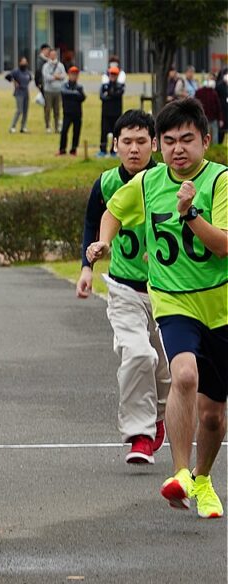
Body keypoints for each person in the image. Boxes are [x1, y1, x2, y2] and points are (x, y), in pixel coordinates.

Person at [88, 98, 227, 520]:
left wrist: (189, 215)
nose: (178, 149)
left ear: (206, 140)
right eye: (169, 141)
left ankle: (202, 479)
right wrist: (105, 241)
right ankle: (180, 473)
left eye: (187, 139)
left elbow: (222, 244)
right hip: (171, 297)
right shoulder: (147, 183)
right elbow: (113, 210)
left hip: (219, 304)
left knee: (215, 418)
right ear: (159, 146)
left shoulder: (220, 181)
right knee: (183, 373)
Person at [77, 110, 168, 464]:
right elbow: (90, 223)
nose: (134, 149)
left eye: (141, 142)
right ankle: (139, 435)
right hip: (124, 288)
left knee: (167, 369)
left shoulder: (167, 179)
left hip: (167, 290)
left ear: (154, 144)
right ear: (115, 145)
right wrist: (88, 264)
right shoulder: (105, 183)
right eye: (126, 142)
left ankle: (158, 417)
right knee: (138, 354)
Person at [97, 65, 125, 157]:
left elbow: (117, 94)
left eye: (114, 74)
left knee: (115, 132)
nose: (112, 76)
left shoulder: (120, 86)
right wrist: (110, 95)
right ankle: (103, 150)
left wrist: (109, 95)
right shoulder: (104, 85)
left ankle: (114, 150)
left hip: (116, 113)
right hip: (105, 113)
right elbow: (102, 96)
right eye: (111, 74)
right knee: (104, 132)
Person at [58, 66, 85, 156]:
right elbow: (64, 93)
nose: (74, 76)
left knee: (76, 131)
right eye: (72, 74)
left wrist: (73, 94)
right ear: (69, 75)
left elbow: (82, 97)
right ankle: (62, 149)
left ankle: (73, 149)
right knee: (64, 130)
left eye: (75, 75)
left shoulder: (79, 86)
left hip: (77, 112)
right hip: (67, 112)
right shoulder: (65, 85)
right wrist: (75, 93)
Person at [5, 57, 32, 134]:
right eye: (23, 62)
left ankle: (23, 127)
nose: (24, 63)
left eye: (25, 62)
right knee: (19, 110)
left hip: (26, 92)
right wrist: (14, 81)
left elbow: (30, 78)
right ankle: (12, 126)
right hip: (19, 93)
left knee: (25, 110)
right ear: (20, 63)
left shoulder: (27, 72)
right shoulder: (16, 71)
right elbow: (7, 76)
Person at [42, 47, 65, 133]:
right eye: (51, 55)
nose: (53, 56)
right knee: (48, 109)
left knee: (57, 110)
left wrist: (57, 77)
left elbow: (63, 76)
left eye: (54, 55)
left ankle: (57, 127)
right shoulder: (46, 66)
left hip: (58, 90)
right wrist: (55, 76)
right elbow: (46, 77)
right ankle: (48, 126)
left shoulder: (60, 65)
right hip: (48, 91)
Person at [196, 75, 222, 144]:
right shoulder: (200, 92)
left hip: (212, 118)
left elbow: (218, 107)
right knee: (206, 135)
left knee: (213, 137)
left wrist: (220, 119)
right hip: (205, 118)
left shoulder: (213, 93)